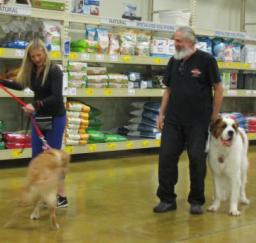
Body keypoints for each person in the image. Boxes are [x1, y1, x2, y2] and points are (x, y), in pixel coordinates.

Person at [153, 26, 223, 215]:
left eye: (178, 41)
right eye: (174, 40)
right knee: (166, 158)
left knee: (196, 159)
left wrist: (214, 115)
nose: (175, 44)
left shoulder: (207, 60)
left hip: (198, 121)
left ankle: (196, 200)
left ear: (190, 42)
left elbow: (218, 88)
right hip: (174, 120)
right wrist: (161, 114)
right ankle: (167, 199)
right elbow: (167, 90)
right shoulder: (173, 61)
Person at [0, 39, 68, 208]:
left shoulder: (54, 70)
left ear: (45, 53)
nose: (36, 59)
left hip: (55, 118)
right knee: (37, 159)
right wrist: (1, 81)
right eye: (33, 56)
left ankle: (61, 196)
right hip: (39, 118)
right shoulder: (32, 71)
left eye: (39, 55)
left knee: (52, 160)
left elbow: (56, 98)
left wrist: (35, 105)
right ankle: (44, 194)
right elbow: (19, 85)